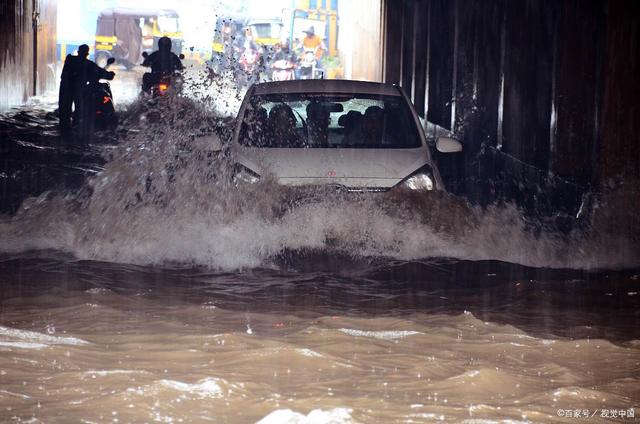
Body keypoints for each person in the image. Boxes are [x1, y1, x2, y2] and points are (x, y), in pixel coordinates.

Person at [58, 44, 115, 134]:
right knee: (77, 111)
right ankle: (74, 129)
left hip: (66, 89)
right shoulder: (88, 64)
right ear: (87, 54)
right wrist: (109, 74)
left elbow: (100, 72)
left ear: (78, 52)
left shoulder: (70, 59)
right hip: (75, 90)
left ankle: (65, 131)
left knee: (66, 112)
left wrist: (108, 74)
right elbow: (102, 73)